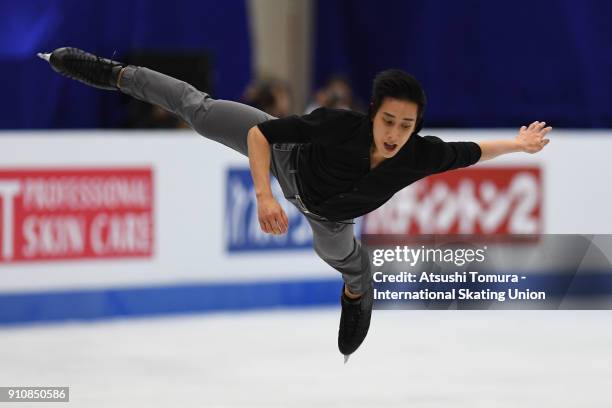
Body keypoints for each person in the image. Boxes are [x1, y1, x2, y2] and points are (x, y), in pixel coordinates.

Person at [38, 47, 552, 361]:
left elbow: (473, 152)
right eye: (389, 121)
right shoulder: (336, 122)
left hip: (331, 218)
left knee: (355, 265)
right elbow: (261, 135)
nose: (396, 134)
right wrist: (263, 194)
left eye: (407, 125)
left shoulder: (421, 154)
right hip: (286, 158)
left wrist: (519, 144)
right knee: (199, 108)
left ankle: (356, 298)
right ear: (372, 114)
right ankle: (112, 73)